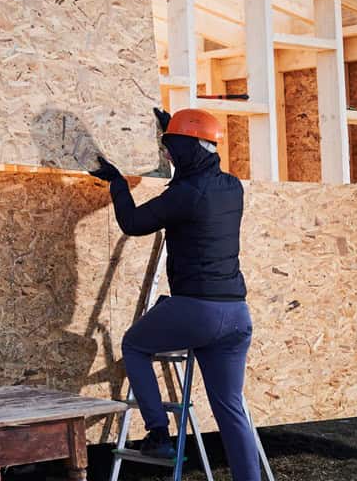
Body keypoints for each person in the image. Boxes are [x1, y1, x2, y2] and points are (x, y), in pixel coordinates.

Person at [90, 108, 259, 481]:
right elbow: (192, 165)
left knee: (135, 345)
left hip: (198, 310)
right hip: (236, 315)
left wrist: (117, 182)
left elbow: (132, 223)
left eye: (171, 149)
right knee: (230, 409)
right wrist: (173, 131)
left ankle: (157, 433)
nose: (167, 155)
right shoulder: (232, 186)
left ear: (186, 151)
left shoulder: (187, 193)